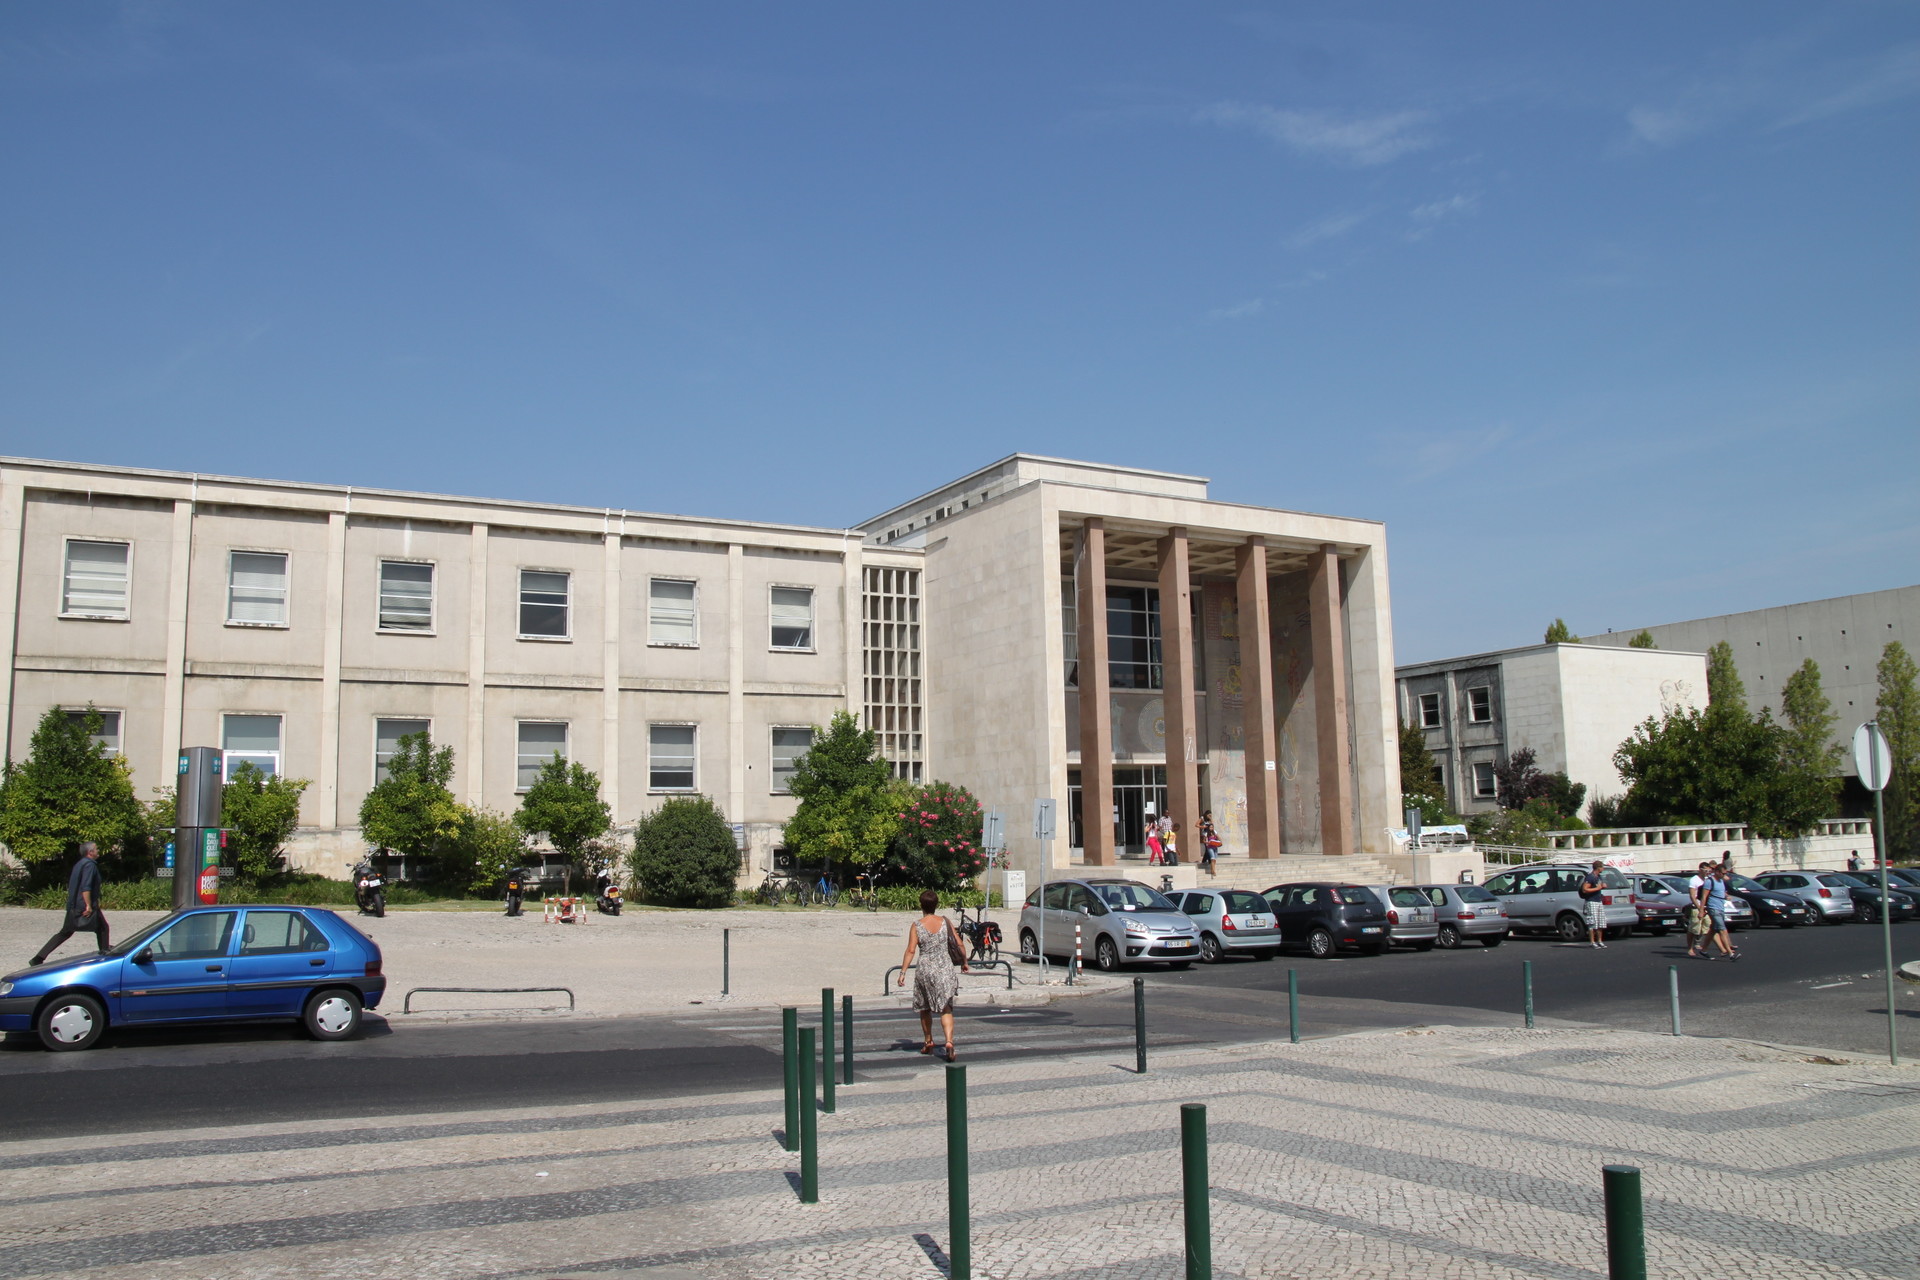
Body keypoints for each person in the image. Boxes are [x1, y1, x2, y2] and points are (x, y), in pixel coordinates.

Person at [897, 888, 968, 1060]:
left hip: (926, 969)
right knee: (946, 1008)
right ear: (936, 905)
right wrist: (965, 962)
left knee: (924, 1008)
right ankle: (949, 1041)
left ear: (921, 905)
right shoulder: (945, 921)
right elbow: (958, 943)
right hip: (944, 967)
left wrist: (903, 972)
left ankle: (928, 1041)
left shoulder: (917, 925)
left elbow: (911, 950)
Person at [29, 842, 109, 966]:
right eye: (96, 849)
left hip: (74, 905)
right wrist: (88, 905)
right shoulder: (89, 865)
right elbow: (86, 887)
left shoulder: (79, 864)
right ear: (90, 852)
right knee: (103, 928)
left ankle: (38, 958)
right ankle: (105, 956)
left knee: (67, 932)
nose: (98, 850)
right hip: (83, 904)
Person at [1702, 865, 1738, 960]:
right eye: (1722, 873)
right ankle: (1730, 953)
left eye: (1725, 873)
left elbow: (1721, 890)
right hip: (1713, 907)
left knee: (1713, 929)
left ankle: (1704, 949)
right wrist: (1701, 910)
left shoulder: (1721, 880)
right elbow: (1704, 896)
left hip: (1720, 907)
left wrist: (1726, 896)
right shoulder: (1710, 881)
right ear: (1717, 872)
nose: (1724, 875)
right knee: (1722, 929)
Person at [1685, 861, 1713, 959]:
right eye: (1705, 870)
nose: (1707, 872)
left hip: (1706, 907)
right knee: (1693, 929)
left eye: (1708, 870)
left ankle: (1699, 943)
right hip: (1696, 907)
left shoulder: (1707, 880)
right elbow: (1693, 896)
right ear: (1700, 870)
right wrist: (1699, 907)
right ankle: (1690, 948)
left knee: (1709, 927)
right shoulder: (1694, 880)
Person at [1578, 860, 1609, 949]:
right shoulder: (1590, 877)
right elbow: (1585, 889)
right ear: (1598, 868)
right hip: (1591, 901)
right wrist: (1597, 888)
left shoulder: (1599, 876)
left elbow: (1599, 886)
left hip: (1598, 901)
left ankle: (1600, 941)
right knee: (1592, 922)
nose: (1603, 869)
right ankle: (1592, 942)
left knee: (1601, 922)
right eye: (1602, 867)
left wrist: (1602, 886)